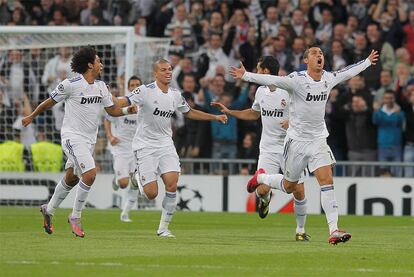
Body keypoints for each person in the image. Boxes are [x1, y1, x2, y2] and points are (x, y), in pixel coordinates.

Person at [230, 47, 379, 245]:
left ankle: (333, 229)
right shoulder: (297, 80)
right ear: (306, 60)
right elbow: (272, 80)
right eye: (315, 53)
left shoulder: (328, 77)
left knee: (327, 182)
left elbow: (348, 72)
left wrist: (367, 61)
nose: (320, 56)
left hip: (318, 140)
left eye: (321, 53)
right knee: (289, 186)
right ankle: (262, 177)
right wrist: (246, 75)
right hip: (296, 142)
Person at [22, 46, 136, 238]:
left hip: (88, 140)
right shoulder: (70, 84)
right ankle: (75, 216)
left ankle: (48, 209)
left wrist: (127, 111)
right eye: (98, 61)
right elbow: (50, 101)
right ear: (90, 64)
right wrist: (32, 116)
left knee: (72, 178)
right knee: (90, 174)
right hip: (72, 137)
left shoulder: (101, 87)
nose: (101, 64)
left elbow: (112, 110)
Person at [116, 59, 228, 238]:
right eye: (163, 70)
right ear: (155, 73)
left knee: (172, 184)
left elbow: (189, 112)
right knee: (151, 194)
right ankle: (137, 177)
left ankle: (163, 228)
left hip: (166, 144)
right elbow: (124, 100)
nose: (168, 72)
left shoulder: (175, 94)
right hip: (145, 145)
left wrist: (214, 117)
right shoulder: (145, 90)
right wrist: (111, 99)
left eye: (169, 69)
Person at [212, 56, 310, 242]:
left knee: (297, 190)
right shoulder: (260, 92)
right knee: (263, 190)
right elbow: (254, 113)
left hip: (292, 145)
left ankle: (300, 230)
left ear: (265, 72)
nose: (256, 73)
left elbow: (305, 113)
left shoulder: (289, 89)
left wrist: (292, 122)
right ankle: (264, 202)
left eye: (258, 69)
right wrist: (230, 112)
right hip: (268, 148)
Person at [104, 76, 142, 222]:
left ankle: (125, 213)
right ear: (128, 87)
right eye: (132, 85)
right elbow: (107, 119)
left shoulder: (145, 104)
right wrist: (110, 136)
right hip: (121, 148)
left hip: (137, 149)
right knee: (124, 183)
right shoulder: (120, 102)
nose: (135, 87)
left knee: (135, 182)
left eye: (138, 85)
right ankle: (117, 179)